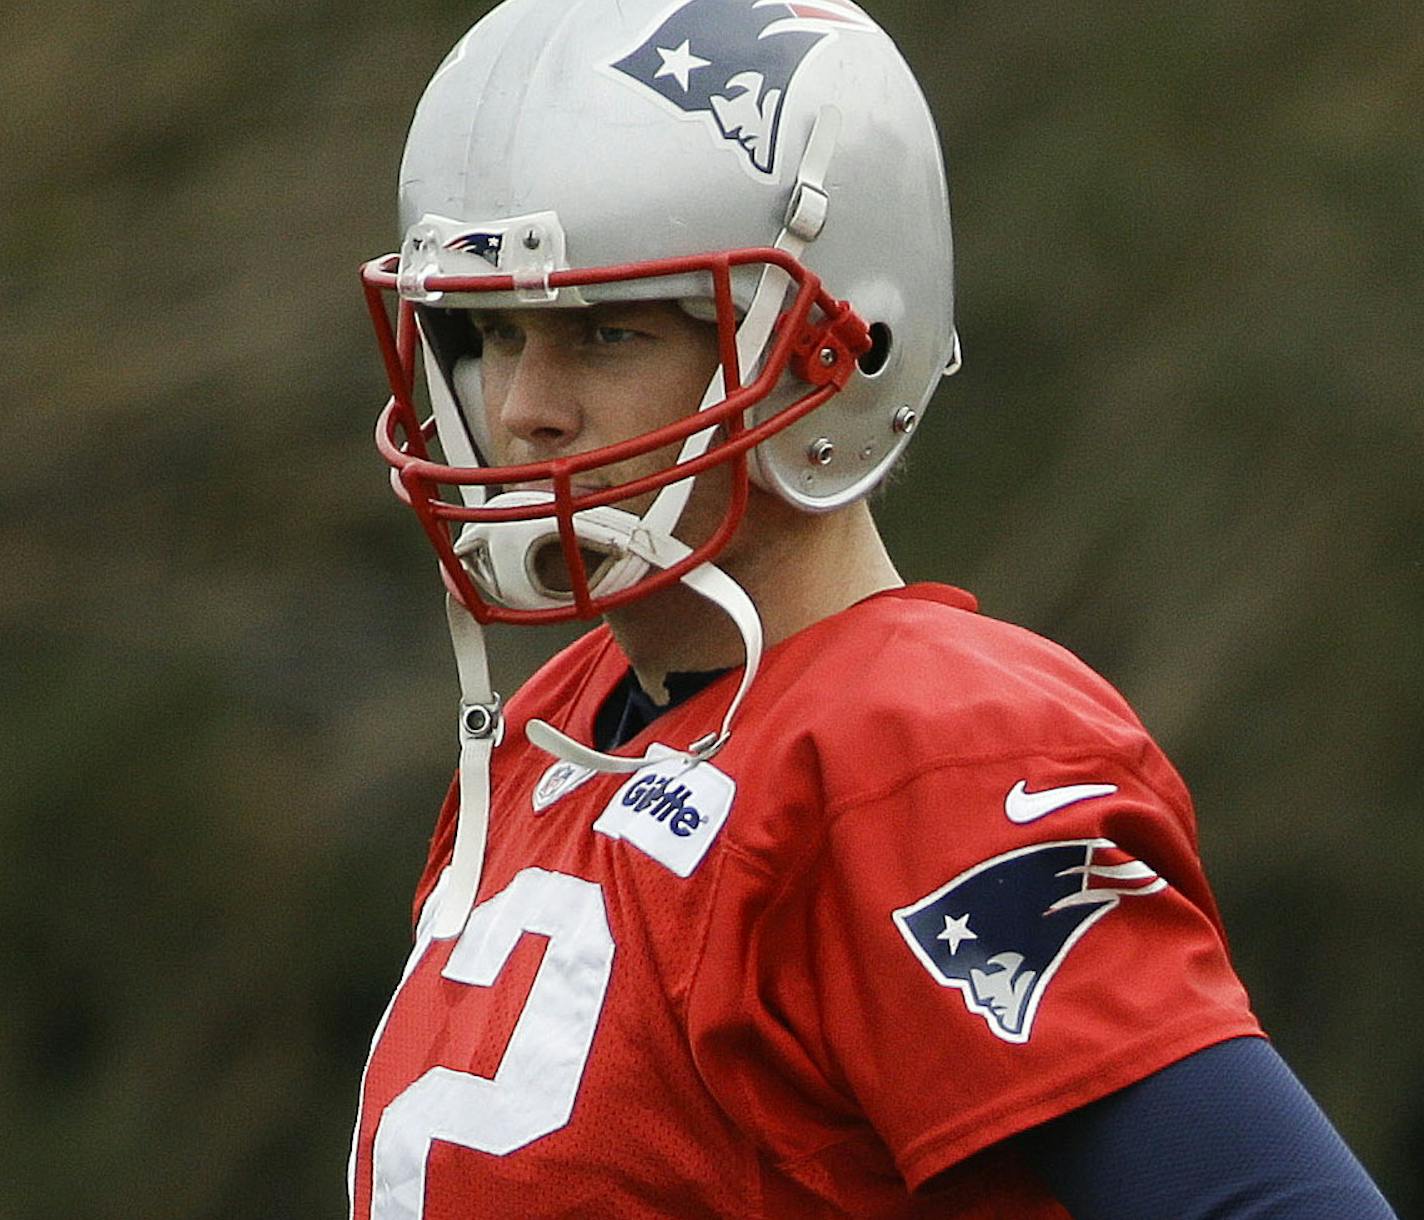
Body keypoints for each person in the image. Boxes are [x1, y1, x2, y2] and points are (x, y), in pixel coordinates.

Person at [348, 1, 1397, 1216]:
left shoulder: (922, 756)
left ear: (827, 344)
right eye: (489, 333)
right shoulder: (554, 723)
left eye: (606, 331)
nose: (524, 404)